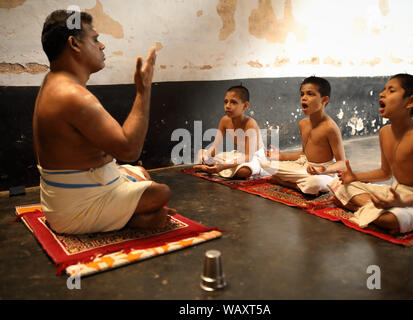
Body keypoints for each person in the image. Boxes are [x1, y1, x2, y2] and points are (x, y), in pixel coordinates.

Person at [33, 9, 174, 234]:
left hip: (69, 199)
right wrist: (143, 89)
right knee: (161, 192)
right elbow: (129, 149)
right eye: (95, 39)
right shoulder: (72, 95)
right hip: (77, 210)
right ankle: (134, 220)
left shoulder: (53, 82)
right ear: (74, 44)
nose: (102, 46)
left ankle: (128, 213)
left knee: (140, 173)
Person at [329, 74, 413, 234]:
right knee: (340, 187)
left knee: (390, 219)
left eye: (391, 90)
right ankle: (375, 208)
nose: (382, 94)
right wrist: (354, 177)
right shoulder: (384, 132)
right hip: (398, 191)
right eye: (383, 90)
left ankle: (368, 208)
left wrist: (402, 203)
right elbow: (385, 173)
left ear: (410, 101)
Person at [264, 76, 346, 195]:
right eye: (302, 94)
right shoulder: (303, 124)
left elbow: (341, 162)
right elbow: (304, 154)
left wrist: (323, 170)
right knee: (265, 164)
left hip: (323, 172)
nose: (304, 98)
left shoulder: (330, 128)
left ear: (324, 99)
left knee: (314, 183)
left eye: (310, 94)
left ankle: (286, 182)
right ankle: (296, 184)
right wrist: (281, 156)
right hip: (304, 166)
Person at [193, 85, 269, 179]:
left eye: (233, 102)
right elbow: (215, 146)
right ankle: (215, 167)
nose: (227, 106)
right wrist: (207, 157)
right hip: (239, 155)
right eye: (225, 102)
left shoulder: (250, 124)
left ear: (245, 106)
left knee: (244, 171)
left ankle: (214, 168)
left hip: (255, 158)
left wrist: (223, 165)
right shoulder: (224, 121)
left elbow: (248, 157)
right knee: (202, 153)